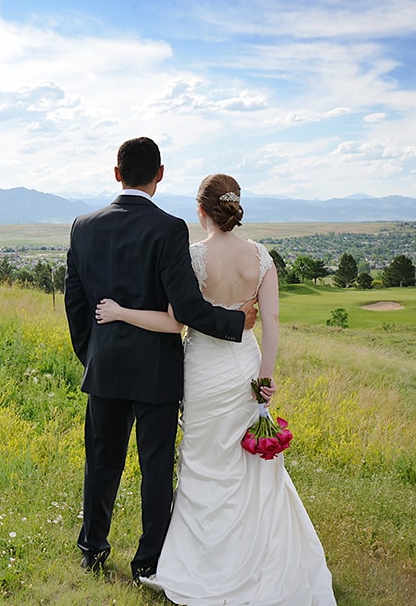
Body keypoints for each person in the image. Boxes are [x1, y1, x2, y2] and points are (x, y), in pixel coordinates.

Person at [94, 174, 336, 604]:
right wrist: (265, 377)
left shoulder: (192, 257)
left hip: (203, 370)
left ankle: (199, 560)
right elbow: (272, 322)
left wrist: (119, 312)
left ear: (200, 210)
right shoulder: (261, 257)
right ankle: (257, 554)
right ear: (234, 207)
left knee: (203, 462)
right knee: (247, 467)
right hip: (244, 366)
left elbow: (174, 322)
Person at [64, 138, 256, 582]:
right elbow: (186, 308)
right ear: (161, 174)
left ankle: (92, 550)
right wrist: (235, 323)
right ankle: (148, 561)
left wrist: (90, 353)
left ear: (117, 173)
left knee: (102, 462)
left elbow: (75, 303)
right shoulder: (170, 229)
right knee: (155, 469)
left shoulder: (82, 226)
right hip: (156, 371)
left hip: (106, 366)